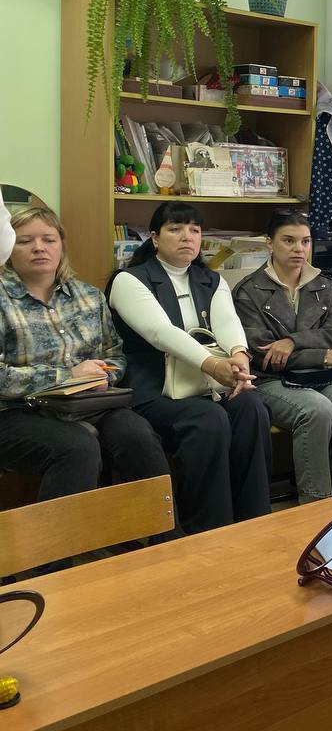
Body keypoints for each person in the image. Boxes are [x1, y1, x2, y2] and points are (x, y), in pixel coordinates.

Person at [0, 206, 172, 567]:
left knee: (138, 434)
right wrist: (66, 375)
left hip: (88, 402)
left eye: (49, 239)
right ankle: (51, 566)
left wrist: (102, 375)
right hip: (16, 411)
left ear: (62, 244)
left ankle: (163, 545)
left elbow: (115, 354)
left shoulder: (88, 296)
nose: (39, 248)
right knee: (76, 447)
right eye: (25, 241)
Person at [108, 202, 272, 534]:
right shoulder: (129, 280)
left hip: (205, 386)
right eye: (175, 229)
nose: (187, 237)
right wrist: (212, 364)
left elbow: (227, 322)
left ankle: (254, 521)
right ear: (154, 238)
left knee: (252, 406)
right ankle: (208, 528)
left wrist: (239, 358)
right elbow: (160, 333)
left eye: (194, 230)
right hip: (155, 391)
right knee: (208, 419)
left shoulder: (210, 279)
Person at [233, 210, 332, 504]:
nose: (299, 249)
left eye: (305, 241)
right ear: (269, 243)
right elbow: (263, 354)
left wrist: (291, 342)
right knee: (317, 411)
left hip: (324, 375)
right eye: (289, 241)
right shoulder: (249, 291)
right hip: (272, 380)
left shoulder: (324, 284)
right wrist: (322, 356)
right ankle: (316, 504)